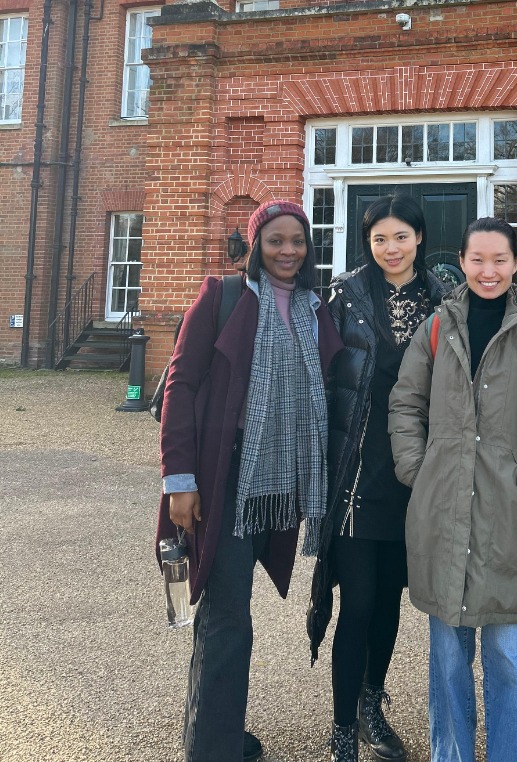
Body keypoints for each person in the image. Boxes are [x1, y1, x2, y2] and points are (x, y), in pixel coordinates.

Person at [156, 200, 342, 762]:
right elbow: (180, 388)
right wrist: (179, 480)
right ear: (256, 244)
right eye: (275, 241)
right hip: (225, 476)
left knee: (232, 608)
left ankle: (215, 731)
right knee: (228, 610)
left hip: (282, 479)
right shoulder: (223, 297)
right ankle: (212, 748)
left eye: (298, 242)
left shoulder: (317, 308)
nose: (288, 251)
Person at [388, 217, 517, 762]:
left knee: (511, 659)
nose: (488, 271)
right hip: (442, 514)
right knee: (447, 660)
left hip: (509, 518)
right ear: (462, 262)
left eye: (499, 260)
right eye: (477, 260)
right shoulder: (436, 329)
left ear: (516, 262)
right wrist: (417, 470)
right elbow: (406, 402)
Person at [309, 195, 449, 762]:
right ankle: (343, 726)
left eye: (401, 237)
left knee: (390, 601)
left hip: (414, 475)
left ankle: (372, 703)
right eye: (379, 240)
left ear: (419, 237)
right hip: (356, 471)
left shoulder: (446, 300)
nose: (391, 249)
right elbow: (315, 375)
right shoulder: (343, 297)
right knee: (358, 603)